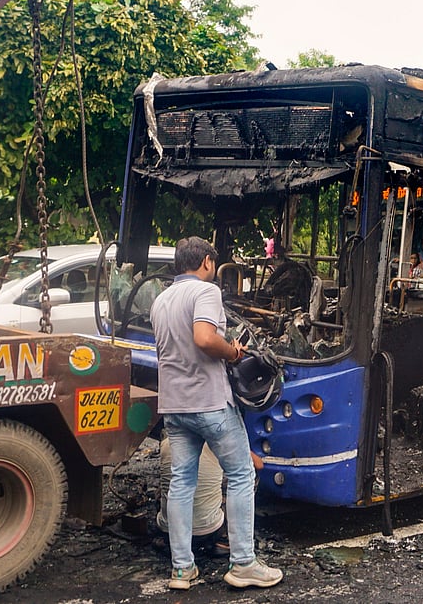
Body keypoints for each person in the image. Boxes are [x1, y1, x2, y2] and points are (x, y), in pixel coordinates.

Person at [151, 236, 283, 591]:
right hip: (209, 402)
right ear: (207, 262)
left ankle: (182, 569)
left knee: (181, 483)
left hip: (174, 406)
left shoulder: (160, 300)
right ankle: (243, 564)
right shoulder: (205, 293)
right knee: (241, 475)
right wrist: (234, 353)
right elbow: (205, 339)